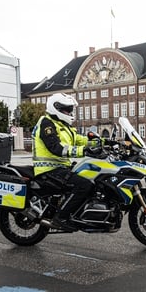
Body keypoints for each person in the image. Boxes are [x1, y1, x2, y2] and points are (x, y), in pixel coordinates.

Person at [32, 92, 103, 231]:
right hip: (48, 169)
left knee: (92, 179)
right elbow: (56, 148)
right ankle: (61, 217)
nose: (69, 112)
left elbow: (80, 139)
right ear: (56, 108)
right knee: (84, 185)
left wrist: (103, 142)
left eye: (70, 109)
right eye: (66, 109)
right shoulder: (47, 123)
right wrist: (83, 151)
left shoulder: (63, 125)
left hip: (61, 168)